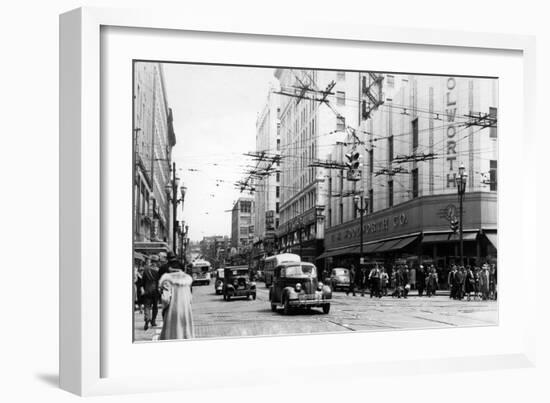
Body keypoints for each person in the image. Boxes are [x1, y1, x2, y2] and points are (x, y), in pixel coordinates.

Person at [158, 261, 195, 340]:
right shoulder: (187, 280)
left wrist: (164, 309)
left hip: (173, 311)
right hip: (185, 311)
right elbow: (190, 298)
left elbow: (165, 299)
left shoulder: (167, 280)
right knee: (185, 334)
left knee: (172, 335)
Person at [141, 255, 160, 330]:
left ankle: (147, 318)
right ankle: (153, 321)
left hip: (147, 290)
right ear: (157, 262)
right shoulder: (158, 270)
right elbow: (159, 281)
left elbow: (143, 281)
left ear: (151, 261)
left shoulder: (146, 270)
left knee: (147, 306)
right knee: (155, 306)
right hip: (155, 291)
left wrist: (143, 288)